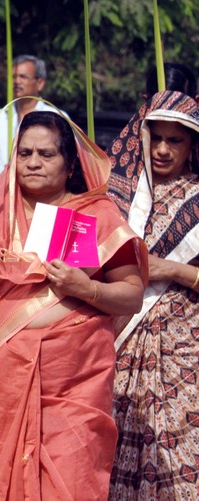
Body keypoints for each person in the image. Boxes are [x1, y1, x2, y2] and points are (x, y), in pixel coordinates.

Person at [0, 110, 146, 499]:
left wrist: (87, 289)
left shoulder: (95, 214)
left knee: (70, 478)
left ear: (69, 164)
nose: (33, 163)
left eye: (46, 154)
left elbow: (131, 292)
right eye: (24, 153)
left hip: (74, 385)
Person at [107, 91, 199, 499]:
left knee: (177, 462)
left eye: (175, 141)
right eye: (155, 138)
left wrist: (172, 270)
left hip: (182, 348)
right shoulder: (116, 197)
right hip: (117, 340)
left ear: (192, 144)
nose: (162, 150)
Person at [0, 54, 58, 187]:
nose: (16, 82)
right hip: (1, 201)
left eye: (23, 77)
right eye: (13, 77)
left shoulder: (56, 118)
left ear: (40, 83)